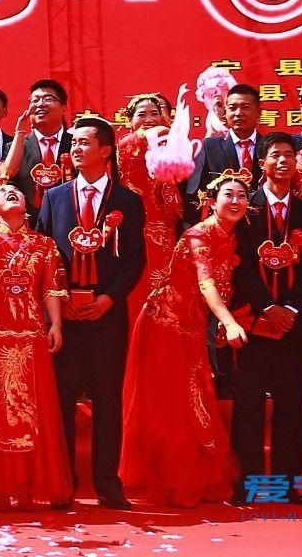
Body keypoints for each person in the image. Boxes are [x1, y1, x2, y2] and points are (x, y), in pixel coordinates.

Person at [120, 172, 250, 507]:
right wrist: (228, 321)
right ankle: (170, 479)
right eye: (228, 195)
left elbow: (222, 286)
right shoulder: (198, 236)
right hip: (164, 323)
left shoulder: (232, 237)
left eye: (241, 196)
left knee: (195, 395)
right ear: (212, 202)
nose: (235, 201)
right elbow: (206, 283)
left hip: (192, 324)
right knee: (172, 401)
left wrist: (218, 324)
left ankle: (192, 475)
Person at [35, 116, 145, 510]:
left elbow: (135, 260)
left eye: (85, 142)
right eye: (74, 143)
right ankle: (63, 482)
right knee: (62, 400)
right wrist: (57, 302)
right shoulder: (55, 197)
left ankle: (107, 484)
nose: (76, 149)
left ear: (106, 150)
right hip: (63, 316)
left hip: (105, 314)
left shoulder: (127, 200)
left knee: (107, 400)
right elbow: (43, 253)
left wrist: (109, 300)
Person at [0, 183, 72, 509]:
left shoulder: (44, 244)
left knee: (31, 407)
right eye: (2, 191)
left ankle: (26, 485)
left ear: (26, 204)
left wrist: (56, 324)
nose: (10, 193)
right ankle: (0, 485)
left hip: (30, 335)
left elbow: (51, 288)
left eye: (16, 191)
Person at [229, 133, 302, 504]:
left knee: (290, 403)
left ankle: (286, 482)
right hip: (252, 320)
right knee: (248, 403)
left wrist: (293, 309)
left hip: (293, 324)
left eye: (289, 155)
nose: (283, 161)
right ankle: (248, 481)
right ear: (261, 163)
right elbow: (240, 266)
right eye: (275, 155)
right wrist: (267, 307)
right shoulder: (245, 208)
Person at [116, 93, 184, 318]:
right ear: (130, 120)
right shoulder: (125, 146)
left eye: (155, 113)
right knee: (136, 287)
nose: (149, 119)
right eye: (141, 114)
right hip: (132, 229)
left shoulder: (170, 147)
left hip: (164, 230)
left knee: (164, 292)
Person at [185, 84, 264, 212]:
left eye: (245, 107)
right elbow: (193, 192)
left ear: (259, 113)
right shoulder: (209, 147)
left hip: (263, 221)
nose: (238, 113)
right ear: (225, 112)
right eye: (232, 108)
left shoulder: (269, 147)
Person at [5, 80, 71, 216]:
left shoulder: (76, 145)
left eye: (48, 99)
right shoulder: (15, 147)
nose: (40, 104)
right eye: (35, 100)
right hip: (29, 222)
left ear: (64, 108)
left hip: (70, 220)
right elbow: (7, 183)